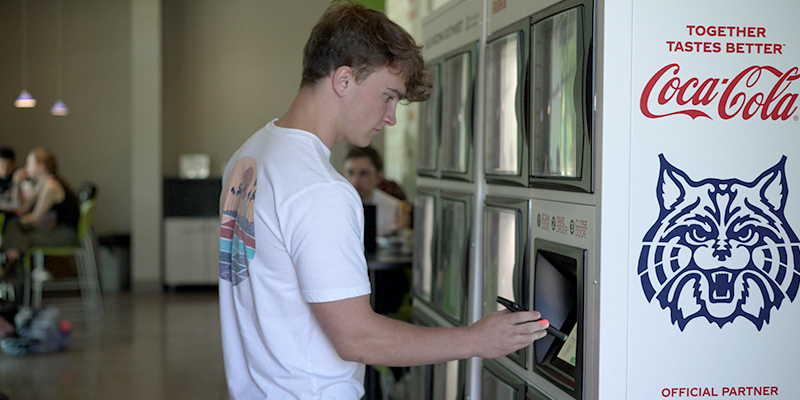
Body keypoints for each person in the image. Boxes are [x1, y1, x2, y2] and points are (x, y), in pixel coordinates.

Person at [217, 2, 549, 399]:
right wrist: (475, 340)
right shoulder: (320, 189)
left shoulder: (248, 155)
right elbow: (358, 338)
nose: (391, 116)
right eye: (388, 96)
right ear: (343, 80)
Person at [0, 148, 80, 276]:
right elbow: (22, 206)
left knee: (18, 232)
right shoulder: (43, 184)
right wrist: (17, 184)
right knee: (15, 229)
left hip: (65, 235)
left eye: (29, 163)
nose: (26, 167)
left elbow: (35, 217)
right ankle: (10, 266)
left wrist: (18, 221)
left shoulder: (51, 186)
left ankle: (9, 269)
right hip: (54, 230)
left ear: (41, 166)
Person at [343, 145, 409, 237]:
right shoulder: (334, 206)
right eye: (350, 173)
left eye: (364, 173)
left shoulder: (394, 210)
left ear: (379, 177)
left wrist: (391, 235)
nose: (355, 181)